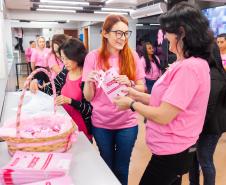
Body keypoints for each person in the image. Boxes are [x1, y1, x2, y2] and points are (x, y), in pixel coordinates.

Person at [113, 2, 214, 185]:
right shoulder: (188, 64)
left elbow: (163, 115)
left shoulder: (189, 68)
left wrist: (131, 104)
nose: (165, 37)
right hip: (173, 149)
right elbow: (165, 102)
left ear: (181, 33)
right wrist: (134, 94)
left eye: (167, 32)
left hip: (171, 152)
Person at [82, 14, 145, 185]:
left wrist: (130, 83)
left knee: (122, 168)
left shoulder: (132, 56)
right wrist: (88, 81)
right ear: (105, 33)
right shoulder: (93, 58)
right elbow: (88, 97)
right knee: (106, 165)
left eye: (125, 33)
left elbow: (142, 88)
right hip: (101, 124)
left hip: (127, 123)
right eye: (118, 33)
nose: (122, 38)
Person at [30, 38, 92, 140]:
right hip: (65, 126)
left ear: (77, 56)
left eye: (68, 58)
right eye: (63, 58)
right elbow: (50, 89)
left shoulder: (87, 77)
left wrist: (70, 101)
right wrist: (36, 84)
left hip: (81, 128)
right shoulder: (64, 73)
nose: (65, 62)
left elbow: (90, 110)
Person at [189, 43, 226, 185]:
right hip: (204, 125)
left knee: (205, 160)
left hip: (208, 127)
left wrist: (194, 126)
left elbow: (208, 107)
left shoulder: (213, 75)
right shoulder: (214, 72)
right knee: (194, 158)